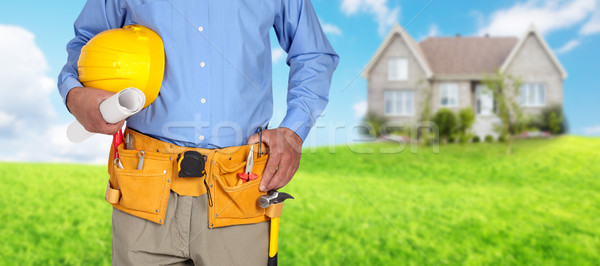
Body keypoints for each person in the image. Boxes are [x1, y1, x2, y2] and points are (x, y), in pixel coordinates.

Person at [58, 0, 338, 265]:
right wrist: (73, 94)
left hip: (239, 187)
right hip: (144, 184)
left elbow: (313, 54)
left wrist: (293, 130)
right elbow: (87, 41)